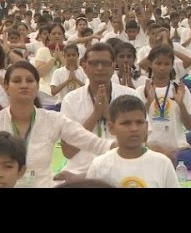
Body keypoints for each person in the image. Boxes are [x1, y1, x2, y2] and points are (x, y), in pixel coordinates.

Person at [0, 61, 115, 188]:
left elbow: (96, 144)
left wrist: (130, 147)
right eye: (17, 81)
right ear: (6, 87)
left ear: (37, 86)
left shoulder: (53, 120)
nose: (24, 85)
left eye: (29, 80)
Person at [57, 43, 140, 181]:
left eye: (105, 63)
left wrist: (108, 114)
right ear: (84, 66)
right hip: (80, 171)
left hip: (122, 169)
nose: (100, 68)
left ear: (114, 65)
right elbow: (68, 152)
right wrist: (95, 115)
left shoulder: (130, 95)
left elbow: (139, 143)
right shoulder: (71, 100)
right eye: (94, 63)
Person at [86, 95, 179, 188]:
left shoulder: (163, 163)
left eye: (139, 122)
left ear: (146, 126)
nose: (134, 129)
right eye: (126, 123)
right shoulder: (99, 166)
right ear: (111, 128)